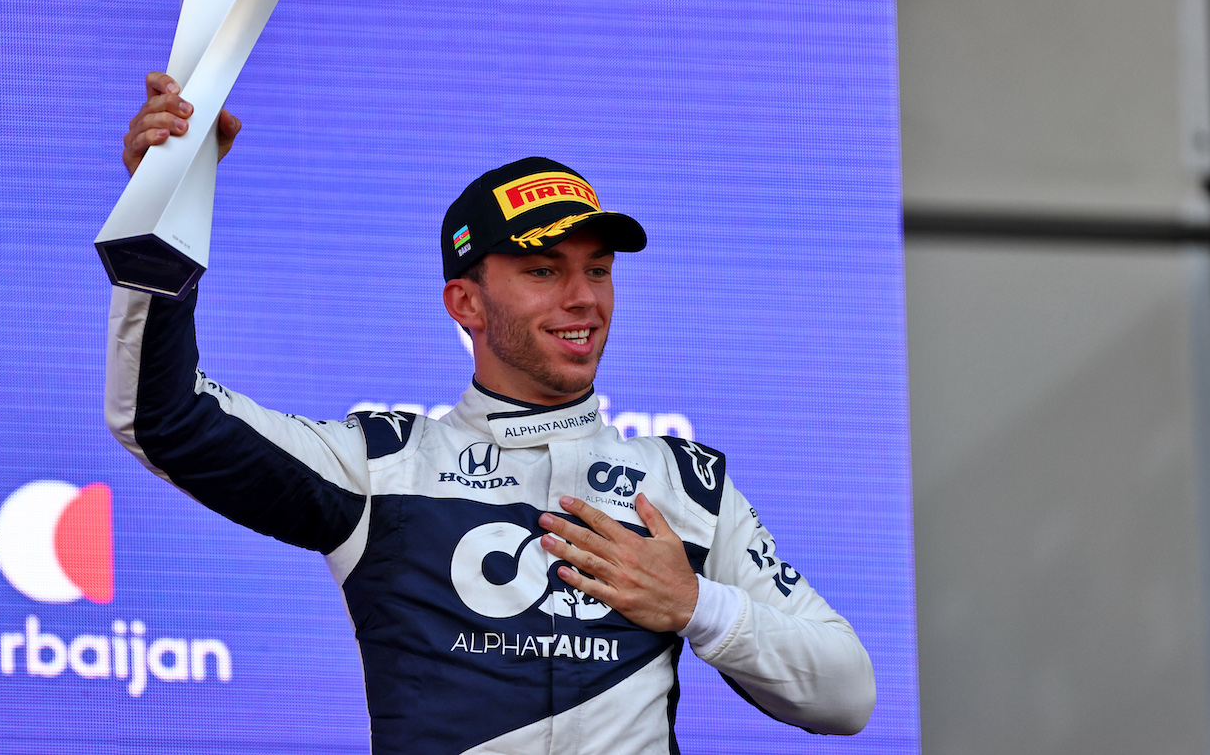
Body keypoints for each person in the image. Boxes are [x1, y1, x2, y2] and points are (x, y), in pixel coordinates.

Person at [107, 71, 876, 754]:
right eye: (544, 270)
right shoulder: (383, 468)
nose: (583, 298)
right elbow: (167, 417)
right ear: (464, 302)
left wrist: (694, 603)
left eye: (598, 270)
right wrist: (162, 212)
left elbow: (847, 697)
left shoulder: (684, 487)